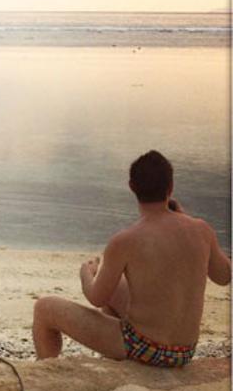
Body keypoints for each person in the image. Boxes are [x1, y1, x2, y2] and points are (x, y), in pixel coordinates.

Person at [32, 150, 230, 366]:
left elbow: (96, 298)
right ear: (171, 187)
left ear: (132, 187)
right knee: (113, 283)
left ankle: (47, 368)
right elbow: (224, 276)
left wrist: (86, 274)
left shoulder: (126, 240)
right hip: (184, 351)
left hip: (145, 347)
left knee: (44, 308)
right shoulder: (201, 229)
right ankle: (115, 361)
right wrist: (187, 222)